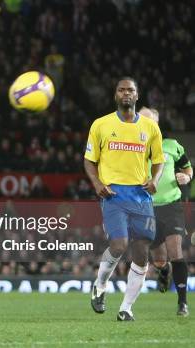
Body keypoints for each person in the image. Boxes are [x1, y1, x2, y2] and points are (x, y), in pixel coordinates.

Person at [85, 77, 164, 321]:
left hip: (140, 195)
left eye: (130, 90)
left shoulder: (151, 128)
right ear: (115, 95)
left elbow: (159, 161)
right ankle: (99, 285)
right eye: (122, 90)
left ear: (137, 95)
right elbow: (89, 160)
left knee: (141, 253)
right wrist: (97, 183)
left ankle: (126, 308)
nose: (126, 94)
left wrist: (155, 180)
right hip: (114, 194)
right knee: (119, 245)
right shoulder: (101, 124)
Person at [140, 107, 190, 316]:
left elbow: (187, 167)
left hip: (172, 205)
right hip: (146, 207)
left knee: (176, 252)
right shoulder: (132, 149)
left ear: (157, 123)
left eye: (148, 120)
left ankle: (182, 303)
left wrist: (187, 177)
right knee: (159, 259)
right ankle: (163, 270)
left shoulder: (172, 146)